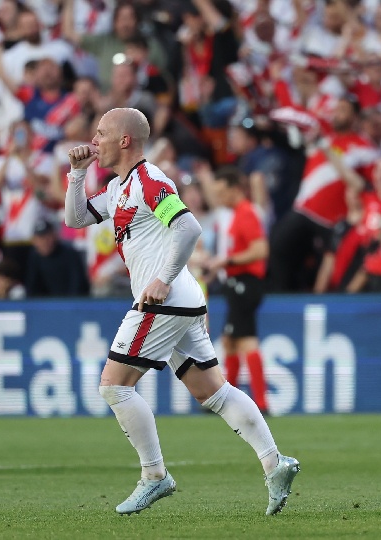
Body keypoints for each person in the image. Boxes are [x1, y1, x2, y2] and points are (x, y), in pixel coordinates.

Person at [63, 108, 299, 517]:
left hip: (165, 299)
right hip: (184, 299)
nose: (94, 140)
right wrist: (77, 174)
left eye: (101, 133)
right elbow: (76, 218)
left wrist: (163, 278)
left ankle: (155, 477)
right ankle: (275, 463)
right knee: (214, 392)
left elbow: (188, 227)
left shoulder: (148, 180)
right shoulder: (120, 187)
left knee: (113, 385)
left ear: (124, 140)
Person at [206, 167, 270, 415]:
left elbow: (261, 250)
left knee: (246, 341)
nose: (219, 198)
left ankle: (260, 403)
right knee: (230, 341)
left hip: (246, 282)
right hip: (237, 283)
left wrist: (228, 261)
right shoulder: (237, 214)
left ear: (235, 189)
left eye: (222, 193)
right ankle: (227, 400)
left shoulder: (246, 214)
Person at [25, 218, 91, 297]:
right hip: (44, 306)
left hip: (70, 304)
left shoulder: (70, 254)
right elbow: (32, 288)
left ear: (54, 236)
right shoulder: (34, 258)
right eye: (40, 238)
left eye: (47, 236)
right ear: (34, 241)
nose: (44, 242)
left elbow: (78, 286)